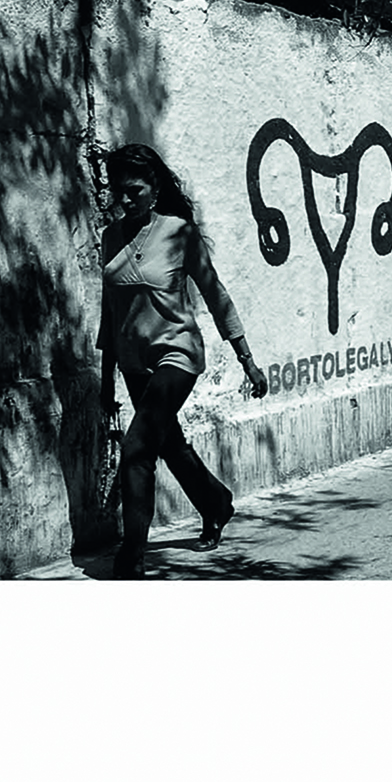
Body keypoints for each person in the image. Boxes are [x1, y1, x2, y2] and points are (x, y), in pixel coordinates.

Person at [97, 142, 268, 578]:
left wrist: (245, 359)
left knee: (138, 451)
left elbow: (215, 294)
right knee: (169, 445)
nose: (126, 198)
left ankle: (131, 555)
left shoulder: (178, 233)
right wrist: (105, 382)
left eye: (134, 189)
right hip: (135, 363)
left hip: (177, 354)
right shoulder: (110, 238)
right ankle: (216, 503)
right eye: (119, 191)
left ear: (154, 189)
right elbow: (109, 313)